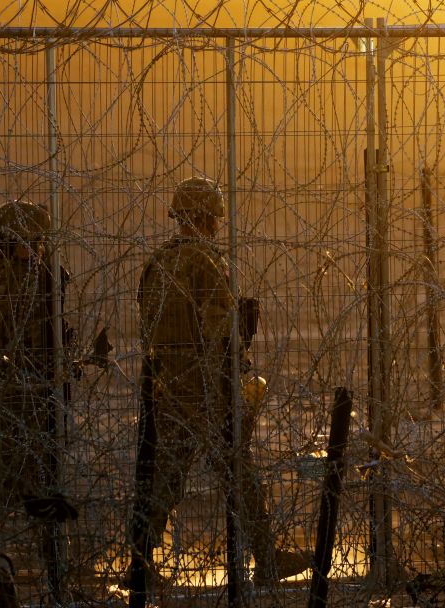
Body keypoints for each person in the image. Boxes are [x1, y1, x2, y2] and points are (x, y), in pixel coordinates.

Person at [126, 176, 307, 591]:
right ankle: (265, 557)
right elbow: (220, 331)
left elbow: (147, 325)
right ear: (208, 219)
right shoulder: (205, 262)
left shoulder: (158, 263)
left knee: (164, 478)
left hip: (167, 386)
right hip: (207, 388)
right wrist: (237, 365)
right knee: (238, 473)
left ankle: (140, 560)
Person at [0, 200, 77, 584]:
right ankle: (55, 568)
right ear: (14, 244)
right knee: (23, 484)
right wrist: (16, 377)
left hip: (35, 403)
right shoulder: (0, 288)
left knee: (13, 483)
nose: (39, 248)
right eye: (33, 242)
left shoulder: (37, 281)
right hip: (16, 406)